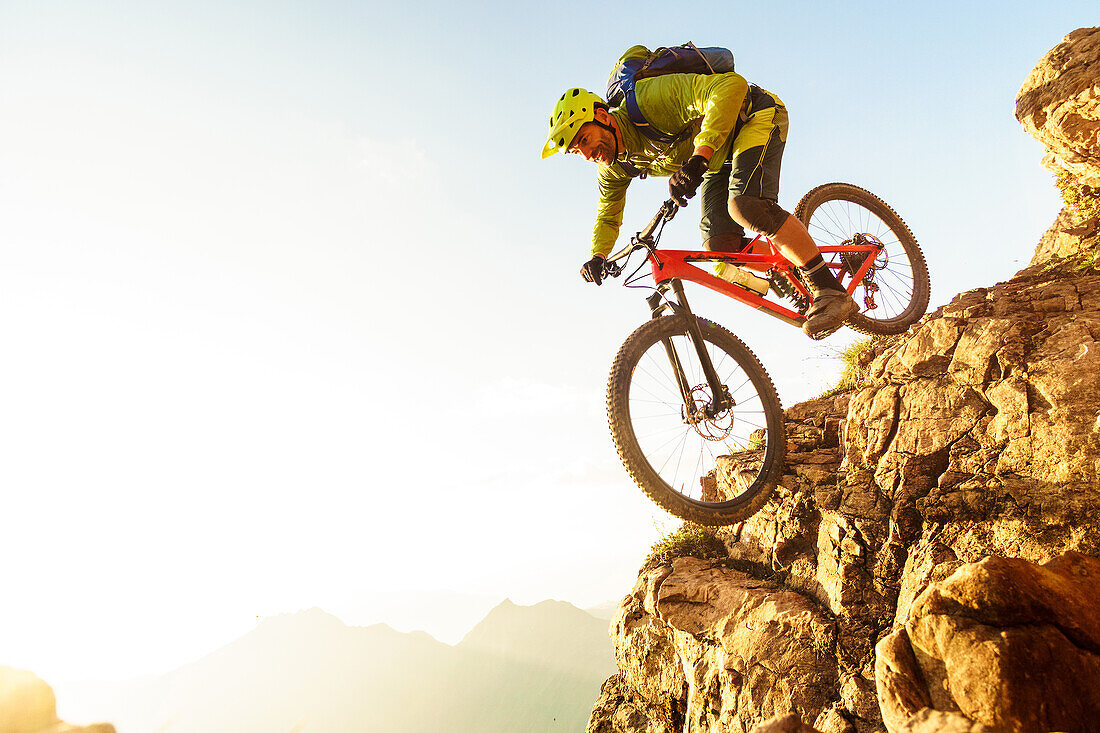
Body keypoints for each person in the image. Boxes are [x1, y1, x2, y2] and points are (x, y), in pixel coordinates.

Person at [541, 56, 858, 337]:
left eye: (584, 138)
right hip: (718, 156)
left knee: (746, 207)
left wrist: (698, 158)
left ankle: (829, 289)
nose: (586, 153)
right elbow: (608, 214)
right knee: (720, 247)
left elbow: (731, 86)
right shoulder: (614, 165)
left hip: (754, 116)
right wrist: (598, 256)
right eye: (575, 150)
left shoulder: (648, 101)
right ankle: (789, 266)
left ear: (604, 117)